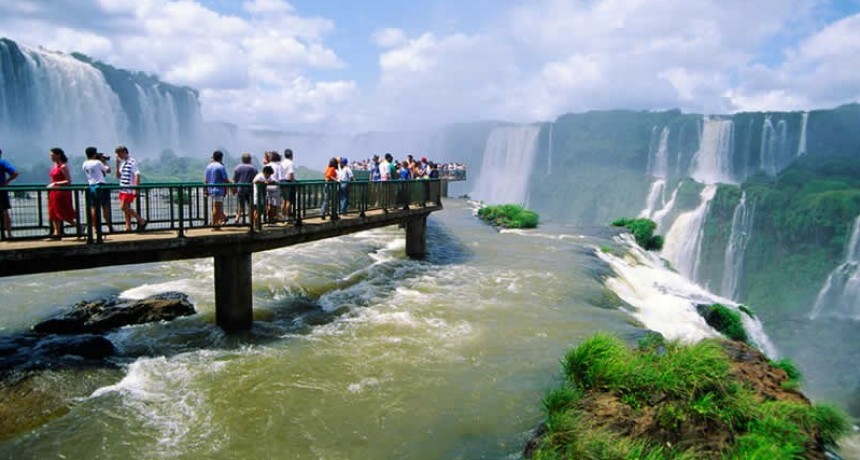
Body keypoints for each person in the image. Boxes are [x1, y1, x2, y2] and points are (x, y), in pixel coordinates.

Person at [47, 148, 81, 239]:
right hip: (54, 192)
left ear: (58, 155)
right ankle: (56, 232)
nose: (51, 157)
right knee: (53, 212)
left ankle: (78, 226)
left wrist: (56, 183)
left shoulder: (63, 166)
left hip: (62, 192)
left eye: (52, 155)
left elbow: (68, 181)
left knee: (62, 212)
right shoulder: (54, 166)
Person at [115, 145, 147, 232]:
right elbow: (118, 176)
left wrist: (136, 188)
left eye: (119, 154)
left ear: (124, 152)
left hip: (128, 189)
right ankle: (128, 226)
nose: (119, 156)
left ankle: (141, 220)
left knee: (123, 207)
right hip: (122, 189)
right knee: (126, 208)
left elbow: (137, 174)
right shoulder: (123, 163)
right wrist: (117, 164)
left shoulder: (132, 162)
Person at [82, 146, 113, 235]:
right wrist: (104, 161)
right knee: (105, 207)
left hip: (91, 186)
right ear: (95, 154)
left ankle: (95, 228)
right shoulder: (98, 162)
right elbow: (108, 170)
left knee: (93, 207)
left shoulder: (84, 164)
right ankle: (109, 226)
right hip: (101, 186)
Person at [204, 150, 230, 230]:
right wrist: (231, 186)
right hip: (218, 190)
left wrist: (206, 190)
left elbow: (206, 180)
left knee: (215, 207)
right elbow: (225, 179)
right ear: (221, 158)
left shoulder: (208, 166)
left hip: (210, 189)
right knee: (217, 208)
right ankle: (215, 225)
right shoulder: (220, 167)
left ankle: (216, 223)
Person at [232, 152, 258, 222]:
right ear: (250, 160)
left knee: (240, 205)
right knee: (250, 206)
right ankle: (251, 221)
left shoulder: (237, 168)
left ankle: (237, 218)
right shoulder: (253, 168)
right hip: (250, 189)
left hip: (240, 189)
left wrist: (234, 189)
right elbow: (256, 179)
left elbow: (234, 180)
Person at [0, 147, 19, 239]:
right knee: (4, 212)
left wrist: (6, 182)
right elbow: (15, 173)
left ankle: (8, 234)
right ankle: (9, 234)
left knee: (4, 212)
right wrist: (6, 182)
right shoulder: (3, 162)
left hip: (1, 191)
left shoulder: (2, 162)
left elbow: (15, 173)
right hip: (1, 190)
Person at [280, 148, 296, 221]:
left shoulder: (282, 163)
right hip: (288, 182)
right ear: (291, 155)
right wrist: (293, 182)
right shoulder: (290, 163)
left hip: (282, 182)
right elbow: (291, 173)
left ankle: (283, 215)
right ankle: (287, 216)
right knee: (289, 200)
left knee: (284, 200)